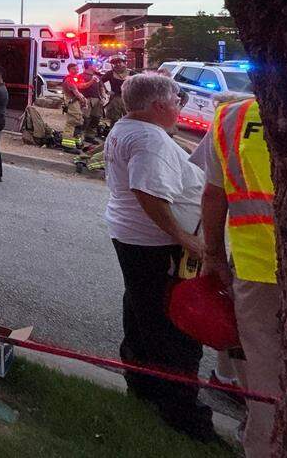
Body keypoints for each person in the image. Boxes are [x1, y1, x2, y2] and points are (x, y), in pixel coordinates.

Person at [102, 73, 215, 442]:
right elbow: (147, 192)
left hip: (135, 238)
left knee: (141, 311)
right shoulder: (150, 140)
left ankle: (142, 385)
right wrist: (183, 236)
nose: (180, 107)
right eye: (177, 101)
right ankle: (182, 413)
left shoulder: (130, 127)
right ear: (158, 105)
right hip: (155, 244)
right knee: (171, 327)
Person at [193, 95, 278, 458]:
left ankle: (264, 445)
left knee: (265, 371)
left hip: (256, 267)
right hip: (262, 267)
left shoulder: (233, 117)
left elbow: (213, 195)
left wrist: (212, 255)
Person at [60, 63, 87, 152]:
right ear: (69, 70)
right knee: (72, 122)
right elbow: (76, 92)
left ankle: (77, 143)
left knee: (78, 121)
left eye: (77, 69)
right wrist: (83, 100)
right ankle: (68, 146)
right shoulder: (69, 80)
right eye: (74, 69)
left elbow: (81, 87)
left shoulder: (74, 79)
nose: (76, 71)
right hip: (72, 102)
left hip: (75, 103)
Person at [103, 56, 130, 128]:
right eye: (115, 63)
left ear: (124, 63)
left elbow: (139, 81)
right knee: (115, 119)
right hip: (116, 98)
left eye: (119, 62)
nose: (117, 64)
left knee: (130, 118)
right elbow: (100, 81)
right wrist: (107, 91)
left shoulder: (131, 73)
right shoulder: (110, 74)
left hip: (129, 98)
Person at [82, 61, 106, 138]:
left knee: (96, 118)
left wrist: (103, 97)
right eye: (94, 65)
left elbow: (101, 87)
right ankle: (80, 135)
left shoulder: (97, 77)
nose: (96, 66)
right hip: (86, 100)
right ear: (89, 66)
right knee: (85, 118)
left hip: (97, 100)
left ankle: (90, 136)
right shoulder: (81, 76)